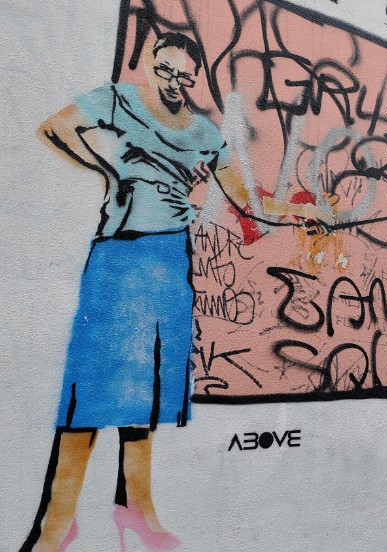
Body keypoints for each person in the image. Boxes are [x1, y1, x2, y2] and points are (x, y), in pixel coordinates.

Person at [22, 32, 278, 552]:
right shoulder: (122, 99)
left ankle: (136, 509)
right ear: (151, 65)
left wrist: (317, 214)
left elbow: (250, 201)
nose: (174, 82)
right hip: (119, 257)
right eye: (166, 70)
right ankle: (57, 520)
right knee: (91, 393)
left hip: (169, 262)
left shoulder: (205, 134)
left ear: (195, 77)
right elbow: (56, 127)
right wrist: (106, 172)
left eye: (184, 75)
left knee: (149, 393)